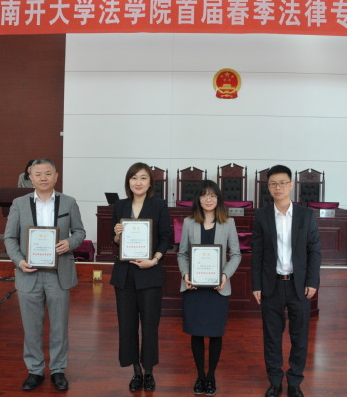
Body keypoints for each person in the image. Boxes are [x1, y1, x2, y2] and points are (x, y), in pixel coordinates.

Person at [4, 158, 85, 392]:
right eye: (38, 174)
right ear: (30, 177)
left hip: (58, 273)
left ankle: (58, 370)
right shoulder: (19, 204)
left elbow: (79, 232)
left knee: (59, 326)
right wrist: (19, 261)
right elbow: (9, 237)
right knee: (31, 327)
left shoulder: (69, 202)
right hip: (28, 272)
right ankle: (35, 370)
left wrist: (69, 243)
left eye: (48, 173)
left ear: (56, 176)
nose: (43, 178)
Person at [251, 165, 321, 397]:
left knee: (299, 336)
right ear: (268, 187)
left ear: (291, 185)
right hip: (271, 284)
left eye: (282, 183)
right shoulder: (262, 215)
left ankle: (294, 381)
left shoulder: (306, 215)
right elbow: (257, 252)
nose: (277, 187)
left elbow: (314, 250)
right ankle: (274, 381)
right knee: (271, 336)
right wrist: (256, 284)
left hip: (298, 284)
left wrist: (312, 281)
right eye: (273, 183)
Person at [177, 180, 242, 396]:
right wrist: (185, 274)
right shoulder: (189, 223)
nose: (208, 199)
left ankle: (211, 376)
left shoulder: (228, 223)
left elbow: (236, 255)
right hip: (194, 287)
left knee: (215, 334)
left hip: (218, 288)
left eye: (212, 195)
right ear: (198, 198)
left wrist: (225, 275)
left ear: (218, 199)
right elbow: (182, 254)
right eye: (204, 195)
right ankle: (200, 376)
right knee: (196, 333)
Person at [111, 162, 171, 392]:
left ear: (150, 182)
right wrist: (117, 236)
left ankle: (149, 372)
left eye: (143, 178)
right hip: (124, 276)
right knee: (127, 326)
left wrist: (154, 259)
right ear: (128, 181)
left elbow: (166, 238)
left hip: (150, 273)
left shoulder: (159, 206)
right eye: (134, 178)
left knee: (149, 326)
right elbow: (114, 241)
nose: (138, 182)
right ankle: (136, 371)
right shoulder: (120, 205)